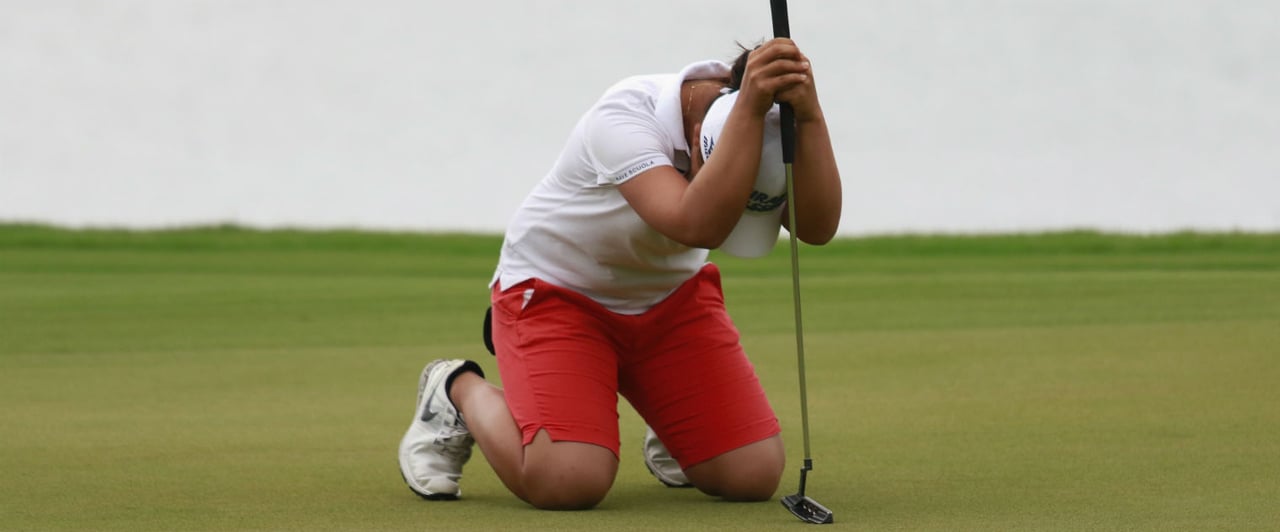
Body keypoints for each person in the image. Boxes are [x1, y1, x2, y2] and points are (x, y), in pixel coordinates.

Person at [398, 37, 842, 510]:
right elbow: (695, 225)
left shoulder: (773, 120)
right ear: (697, 143)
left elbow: (816, 228)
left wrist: (810, 116)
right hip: (556, 297)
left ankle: (670, 423)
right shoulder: (625, 117)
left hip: (671, 304)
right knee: (568, 481)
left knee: (751, 475)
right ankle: (455, 389)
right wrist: (748, 111)